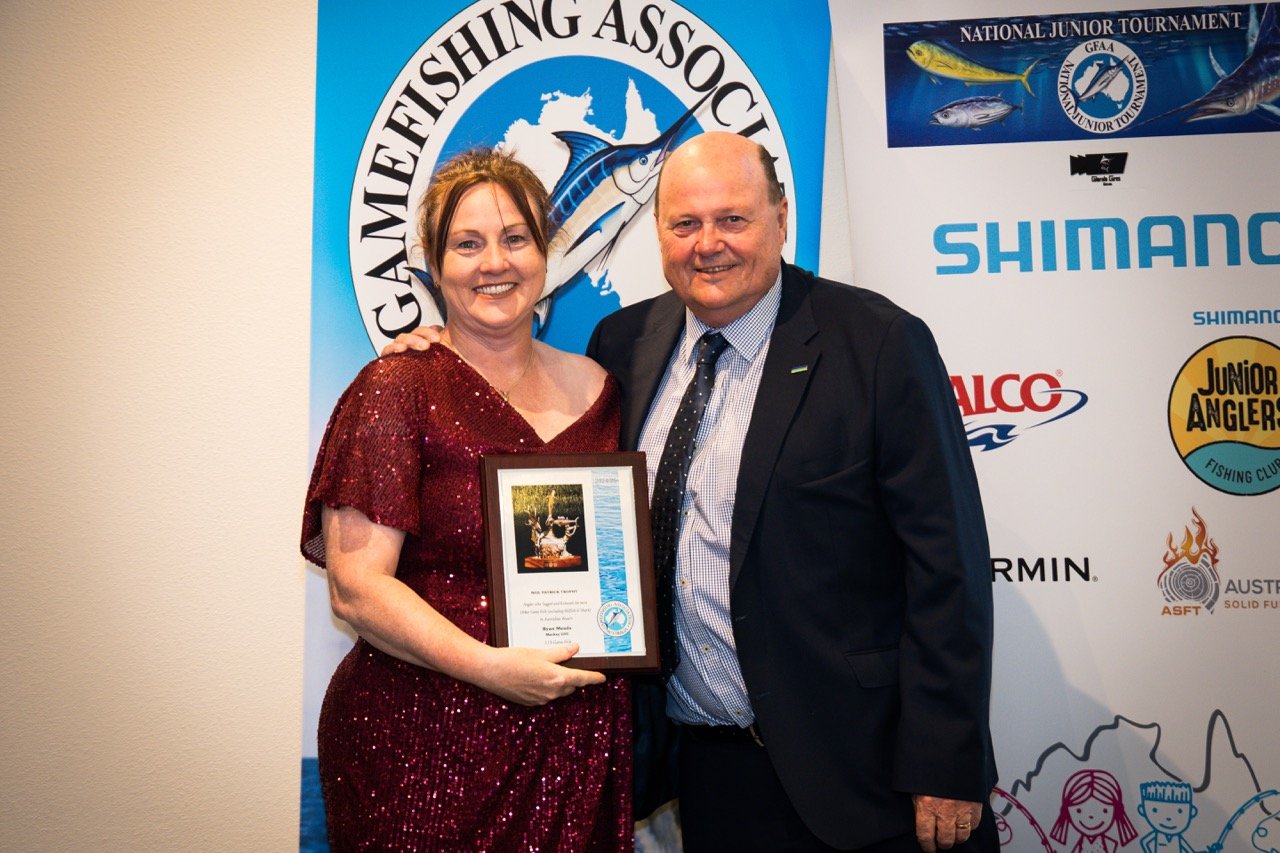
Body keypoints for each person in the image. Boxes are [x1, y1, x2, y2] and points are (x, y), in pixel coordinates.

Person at [389, 131, 998, 852]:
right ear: (657, 233)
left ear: (780, 218)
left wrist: (945, 759)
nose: (708, 243)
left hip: (866, 770)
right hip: (707, 772)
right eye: (684, 223)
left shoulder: (878, 344)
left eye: (732, 219)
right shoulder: (622, 345)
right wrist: (441, 350)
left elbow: (949, 566)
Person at [302, 148, 632, 851]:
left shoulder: (602, 386)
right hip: (423, 744)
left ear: (548, 251)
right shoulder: (398, 387)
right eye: (468, 244)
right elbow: (356, 590)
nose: (495, 263)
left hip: (571, 747)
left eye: (515, 238)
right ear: (432, 265)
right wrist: (492, 669)